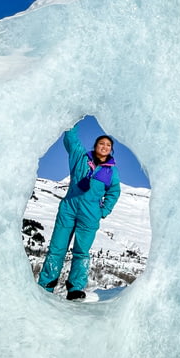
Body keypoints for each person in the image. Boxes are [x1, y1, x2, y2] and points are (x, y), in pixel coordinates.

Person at [37, 125, 120, 300]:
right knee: (56, 248)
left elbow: (114, 192)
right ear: (95, 146)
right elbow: (71, 139)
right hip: (69, 208)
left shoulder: (111, 172)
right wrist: (72, 119)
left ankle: (75, 288)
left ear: (111, 150)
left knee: (81, 251)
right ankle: (46, 284)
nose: (104, 147)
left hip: (90, 215)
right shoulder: (81, 157)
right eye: (101, 143)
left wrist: (103, 211)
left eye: (108, 145)